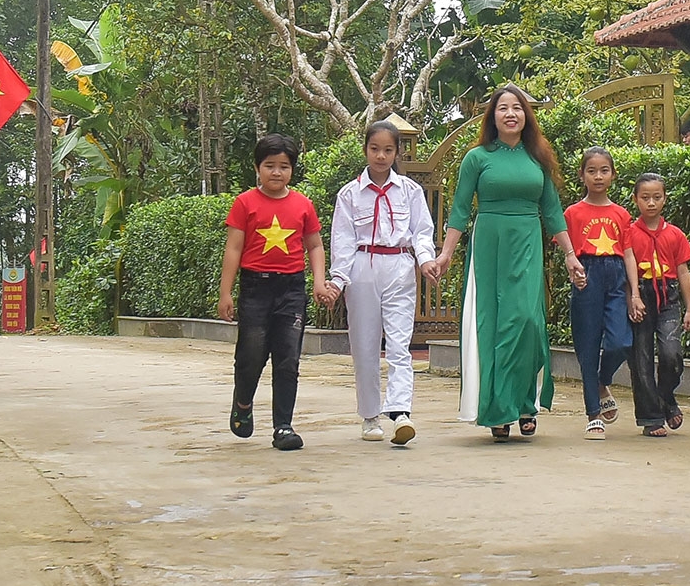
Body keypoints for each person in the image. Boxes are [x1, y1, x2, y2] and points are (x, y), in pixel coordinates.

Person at [423, 85, 582, 441]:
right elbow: (461, 210)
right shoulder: (477, 158)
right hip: (490, 244)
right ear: (492, 116)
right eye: (503, 108)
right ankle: (499, 409)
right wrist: (446, 253)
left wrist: (570, 254)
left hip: (527, 240)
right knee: (494, 326)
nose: (510, 114)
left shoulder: (537, 157)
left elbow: (553, 211)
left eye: (517, 108)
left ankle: (526, 401)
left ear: (526, 116)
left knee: (527, 321)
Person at [218, 135, 335, 451]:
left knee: (287, 359)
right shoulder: (244, 203)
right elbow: (233, 247)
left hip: (291, 290)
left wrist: (319, 281)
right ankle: (243, 402)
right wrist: (225, 293)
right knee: (251, 353)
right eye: (269, 165)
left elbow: (314, 245)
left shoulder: (303, 205)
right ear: (257, 168)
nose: (276, 172)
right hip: (255, 288)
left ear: (292, 170)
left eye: (284, 166)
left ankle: (283, 426)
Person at [331, 118, 434, 448]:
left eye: (388, 150)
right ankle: (370, 415)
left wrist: (425, 259)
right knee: (364, 343)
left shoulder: (410, 191)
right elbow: (343, 239)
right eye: (375, 149)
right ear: (365, 150)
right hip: (363, 267)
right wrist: (338, 278)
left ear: (396, 153)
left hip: (400, 266)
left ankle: (400, 410)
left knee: (401, 342)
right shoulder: (349, 194)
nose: (381, 156)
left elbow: (422, 231)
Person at [564, 147, 637, 436]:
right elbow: (568, 251)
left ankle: (601, 380)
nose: (598, 176)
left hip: (616, 275)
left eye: (604, 170)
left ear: (613, 175)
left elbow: (629, 254)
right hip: (587, 275)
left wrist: (634, 293)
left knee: (621, 341)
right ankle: (592, 412)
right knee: (588, 345)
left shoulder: (621, 213)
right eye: (591, 171)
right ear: (582, 175)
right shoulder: (572, 213)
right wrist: (576, 274)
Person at [624, 172, 690, 438]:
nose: (651, 203)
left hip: (668, 296)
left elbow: (683, 271)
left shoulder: (675, 234)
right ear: (635, 200)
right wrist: (633, 297)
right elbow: (626, 266)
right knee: (640, 360)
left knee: (671, 354)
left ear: (665, 199)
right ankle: (651, 417)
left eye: (657, 197)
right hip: (641, 294)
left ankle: (665, 395)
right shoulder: (629, 233)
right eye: (645, 198)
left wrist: (689, 309)